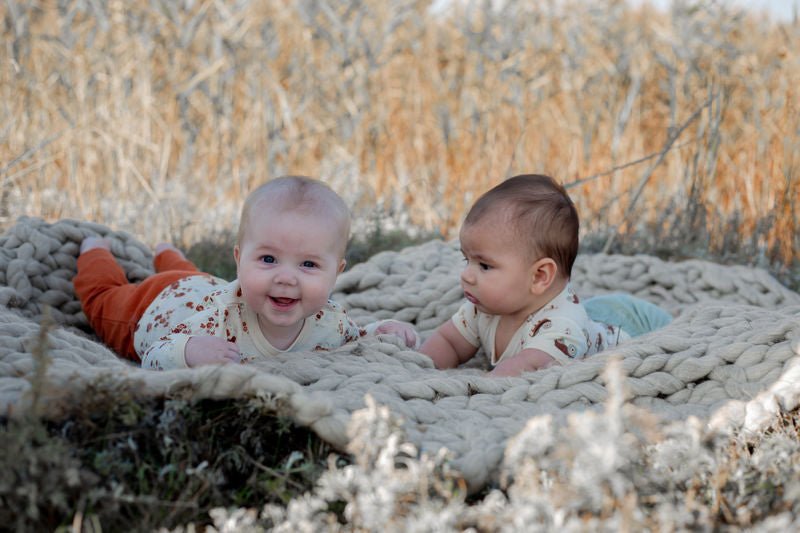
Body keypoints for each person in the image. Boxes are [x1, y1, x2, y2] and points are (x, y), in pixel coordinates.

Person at [74, 176, 419, 370]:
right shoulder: (218, 321)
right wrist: (189, 352)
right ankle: (95, 252)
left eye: (309, 265)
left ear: (337, 273)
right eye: (268, 259)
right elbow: (155, 354)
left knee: (188, 274)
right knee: (103, 298)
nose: (286, 277)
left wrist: (381, 330)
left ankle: (169, 254)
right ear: (239, 259)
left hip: (199, 284)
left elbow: (354, 339)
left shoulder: (330, 321)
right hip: (152, 306)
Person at [419, 174, 672, 377]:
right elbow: (448, 342)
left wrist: (482, 388)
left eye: (484, 266)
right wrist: (419, 368)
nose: (466, 276)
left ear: (540, 276)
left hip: (630, 324)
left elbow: (521, 370)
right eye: (467, 260)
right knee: (590, 313)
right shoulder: (481, 306)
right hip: (591, 314)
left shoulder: (561, 327)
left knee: (676, 336)